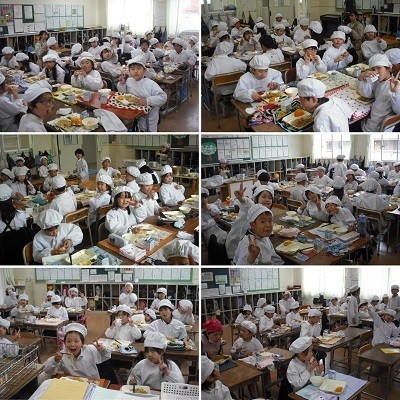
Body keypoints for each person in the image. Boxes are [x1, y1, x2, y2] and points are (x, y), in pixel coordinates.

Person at [38, 323, 111, 384]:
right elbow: (47, 370)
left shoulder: (90, 350)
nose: (72, 344)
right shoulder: (62, 355)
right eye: (69, 341)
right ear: (64, 343)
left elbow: (107, 355)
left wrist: (103, 349)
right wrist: (55, 360)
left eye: (76, 341)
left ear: (82, 343)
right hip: (72, 383)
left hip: (91, 382)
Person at [117, 55, 167, 132]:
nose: (135, 71)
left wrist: (146, 100)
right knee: (139, 128)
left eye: (139, 68)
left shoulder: (150, 84)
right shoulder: (129, 81)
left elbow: (163, 97)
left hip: (150, 117)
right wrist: (122, 84)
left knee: (149, 132)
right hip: (135, 113)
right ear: (129, 71)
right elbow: (123, 94)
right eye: (132, 69)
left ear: (144, 71)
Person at [357, 54, 393, 132]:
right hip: (372, 120)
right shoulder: (378, 80)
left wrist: (395, 93)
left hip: (376, 128)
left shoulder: (393, 86)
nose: (376, 71)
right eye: (373, 69)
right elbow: (367, 93)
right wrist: (362, 76)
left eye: (379, 68)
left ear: (388, 69)